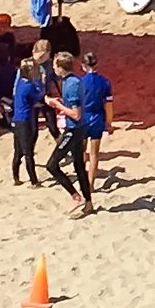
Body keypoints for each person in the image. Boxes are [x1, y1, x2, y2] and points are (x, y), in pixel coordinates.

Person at [45, 53, 93, 216]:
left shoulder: (71, 84)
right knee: (79, 166)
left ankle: (75, 195)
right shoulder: (74, 80)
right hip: (79, 128)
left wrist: (58, 105)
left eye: (54, 66)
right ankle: (88, 202)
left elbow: (76, 113)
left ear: (61, 68)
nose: (53, 69)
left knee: (52, 165)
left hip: (73, 129)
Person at [78, 48, 113, 194]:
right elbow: (109, 105)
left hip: (83, 118)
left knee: (81, 152)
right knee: (94, 154)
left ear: (83, 66)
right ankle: (91, 184)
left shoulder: (80, 82)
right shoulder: (105, 82)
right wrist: (109, 123)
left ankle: (82, 182)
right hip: (98, 117)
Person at [10, 59, 43, 187]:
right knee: (28, 153)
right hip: (24, 120)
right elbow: (38, 95)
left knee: (18, 151)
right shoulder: (29, 86)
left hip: (17, 120)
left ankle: (16, 178)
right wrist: (40, 81)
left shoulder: (20, 83)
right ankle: (34, 181)